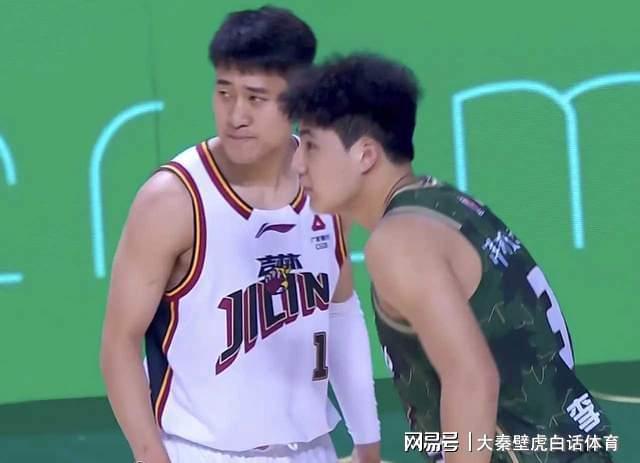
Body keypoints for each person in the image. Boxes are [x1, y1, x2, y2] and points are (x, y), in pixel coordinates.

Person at [280, 52, 615, 463]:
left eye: (311, 146)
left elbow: (473, 380)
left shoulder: (398, 242)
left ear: (366, 154)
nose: (297, 163)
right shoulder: (442, 202)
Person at [99, 8, 380, 463]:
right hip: (202, 451)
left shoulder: (328, 186)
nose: (236, 115)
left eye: (256, 98)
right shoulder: (173, 199)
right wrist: (150, 455)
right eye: (224, 92)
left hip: (313, 449)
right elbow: (119, 343)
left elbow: (341, 312)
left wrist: (367, 442)